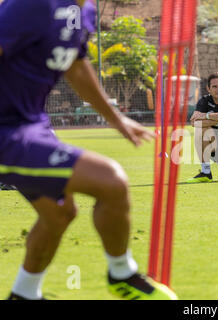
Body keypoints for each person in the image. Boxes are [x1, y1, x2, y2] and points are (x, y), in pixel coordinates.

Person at [0, 0, 176, 300]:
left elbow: (77, 68)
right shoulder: (30, 5)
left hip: (33, 126)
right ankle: (122, 275)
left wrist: (116, 119)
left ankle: (24, 295)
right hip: (6, 133)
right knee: (111, 181)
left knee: (58, 213)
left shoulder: (86, 11)